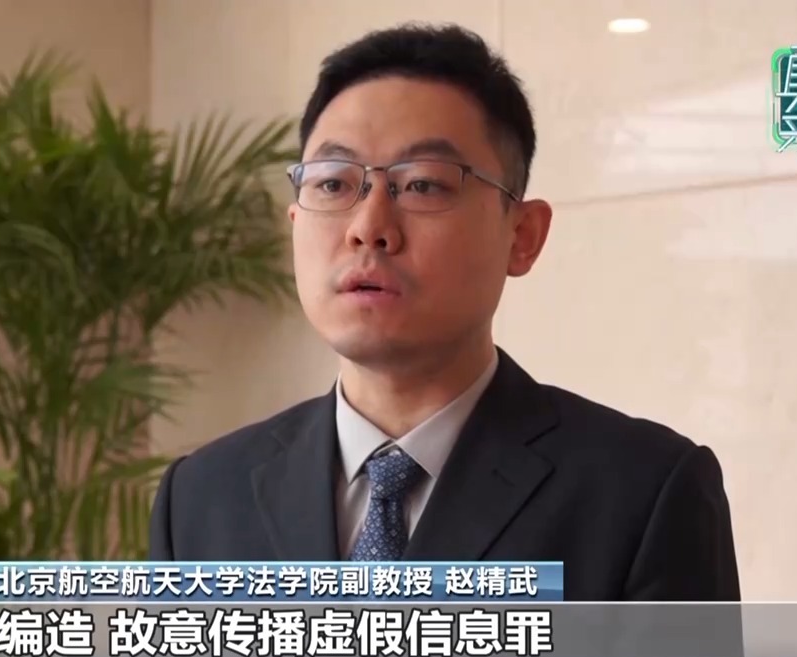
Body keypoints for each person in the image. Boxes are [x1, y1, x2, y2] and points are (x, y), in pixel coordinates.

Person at [148, 24, 741, 601]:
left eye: (423, 185)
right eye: (333, 184)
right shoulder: (200, 497)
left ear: (522, 236)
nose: (368, 228)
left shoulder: (643, 494)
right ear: (295, 221)